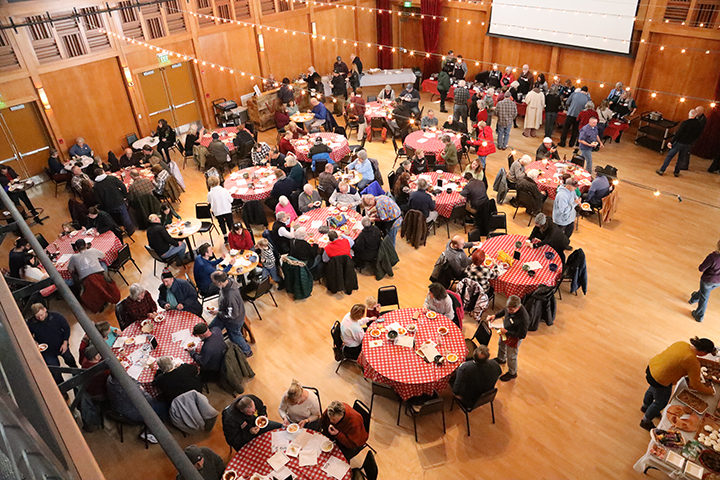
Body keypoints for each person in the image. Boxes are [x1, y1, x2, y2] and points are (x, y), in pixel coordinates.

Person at [640, 337, 715, 430]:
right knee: (661, 402)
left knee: (652, 389)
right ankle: (645, 421)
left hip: (653, 368)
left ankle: (645, 406)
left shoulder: (682, 344)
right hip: (661, 378)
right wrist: (709, 391)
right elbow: (695, 384)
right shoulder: (691, 360)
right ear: (703, 352)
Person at [27, 304, 77, 384]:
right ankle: (63, 389)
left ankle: (76, 374)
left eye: (41, 315)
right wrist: (35, 342)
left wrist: (65, 342)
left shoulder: (57, 316)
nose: (40, 318)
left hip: (61, 345)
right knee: (55, 372)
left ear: (45, 309)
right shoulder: (31, 323)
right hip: (46, 351)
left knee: (70, 360)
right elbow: (28, 335)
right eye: (37, 317)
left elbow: (66, 328)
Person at [106, 375, 165, 442]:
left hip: (117, 409)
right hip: (133, 414)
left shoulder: (110, 379)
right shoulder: (131, 389)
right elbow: (148, 400)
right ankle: (151, 432)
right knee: (163, 407)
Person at [486, 295, 529, 381]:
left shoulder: (524, 319)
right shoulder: (509, 309)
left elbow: (522, 335)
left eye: (511, 310)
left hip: (514, 337)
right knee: (501, 344)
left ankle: (512, 373)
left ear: (518, 307)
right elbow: (504, 311)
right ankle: (501, 359)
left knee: (511, 356)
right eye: (508, 308)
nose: (509, 311)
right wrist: (495, 316)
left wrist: (507, 332)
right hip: (505, 331)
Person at [210, 271, 252, 356]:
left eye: (214, 282)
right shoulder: (229, 282)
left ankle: (247, 351)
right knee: (211, 329)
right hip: (225, 313)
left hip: (233, 320)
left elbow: (232, 315)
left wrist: (218, 312)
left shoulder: (230, 296)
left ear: (220, 283)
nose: (213, 284)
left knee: (235, 336)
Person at [656, 109, 703, 177]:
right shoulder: (699, 125)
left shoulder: (685, 123)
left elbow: (679, 133)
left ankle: (662, 170)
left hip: (679, 142)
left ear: (689, 114)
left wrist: (672, 142)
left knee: (670, 156)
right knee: (681, 158)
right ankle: (676, 172)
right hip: (688, 144)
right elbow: (698, 135)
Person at [92, 167, 135, 236]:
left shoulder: (96, 185)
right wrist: (124, 195)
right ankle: (130, 229)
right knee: (125, 215)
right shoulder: (111, 178)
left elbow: (98, 198)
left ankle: (117, 230)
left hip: (107, 204)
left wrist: (102, 205)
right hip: (118, 200)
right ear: (102, 172)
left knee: (112, 218)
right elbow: (122, 186)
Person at [689, 240, 720, 322]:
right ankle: (694, 298)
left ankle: (699, 315)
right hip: (718, 282)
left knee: (704, 298)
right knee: (704, 292)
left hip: (708, 280)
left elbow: (701, 268)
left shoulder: (713, 257)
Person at [206, 176, 234, 243]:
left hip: (217, 211)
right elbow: (231, 200)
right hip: (226, 209)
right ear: (218, 182)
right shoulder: (224, 190)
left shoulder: (210, 193)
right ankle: (232, 236)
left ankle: (225, 237)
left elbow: (209, 201)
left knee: (221, 224)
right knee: (230, 223)